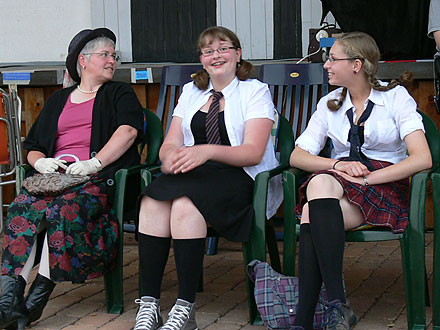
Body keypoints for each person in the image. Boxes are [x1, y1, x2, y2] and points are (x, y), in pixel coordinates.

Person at [133, 26, 282, 330]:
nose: (217, 56)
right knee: (151, 201)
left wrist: (206, 151)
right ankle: (148, 305)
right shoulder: (191, 92)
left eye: (224, 48)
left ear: (238, 54)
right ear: (201, 60)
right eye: (208, 51)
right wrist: (171, 156)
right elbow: (171, 142)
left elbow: (253, 152)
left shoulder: (255, 91)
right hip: (195, 172)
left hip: (242, 177)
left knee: (186, 204)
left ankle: (185, 307)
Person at [0, 28, 144, 329]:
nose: (112, 60)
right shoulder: (58, 100)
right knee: (21, 209)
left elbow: (128, 131)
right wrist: (42, 163)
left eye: (113, 55)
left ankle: (33, 304)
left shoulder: (120, 93)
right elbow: (33, 147)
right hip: (55, 179)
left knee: (60, 212)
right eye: (105, 54)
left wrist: (95, 162)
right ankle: (9, 305)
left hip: (97, 180)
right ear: (83, 60)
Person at [289, 32, 432, 330]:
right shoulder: (329, 103)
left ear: (356, 64)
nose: (326, 65)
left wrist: (369, 179)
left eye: (332, 59)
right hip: (341, 181)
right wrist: (338, 163)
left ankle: (306, 317)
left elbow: (422, 159)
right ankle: (339, 304)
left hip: (383, 185)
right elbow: (297, 156)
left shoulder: (395, 98)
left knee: (310, 214)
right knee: (318, 186)